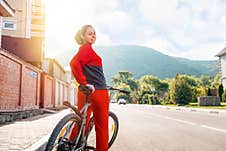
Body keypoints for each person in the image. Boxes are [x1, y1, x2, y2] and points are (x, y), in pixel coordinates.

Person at [70, 25, 109, 151]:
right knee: (102, 128)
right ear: (82, 36)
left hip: (85, 91)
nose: (93, 36)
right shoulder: (87, 50)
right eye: (89, 34)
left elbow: (78, 65)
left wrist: (84, 83)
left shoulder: (84, 50)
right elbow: (73, 63)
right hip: (99, 92)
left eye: (94, 33)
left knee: (82, 122)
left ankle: (70, 145)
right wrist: (83, 82)